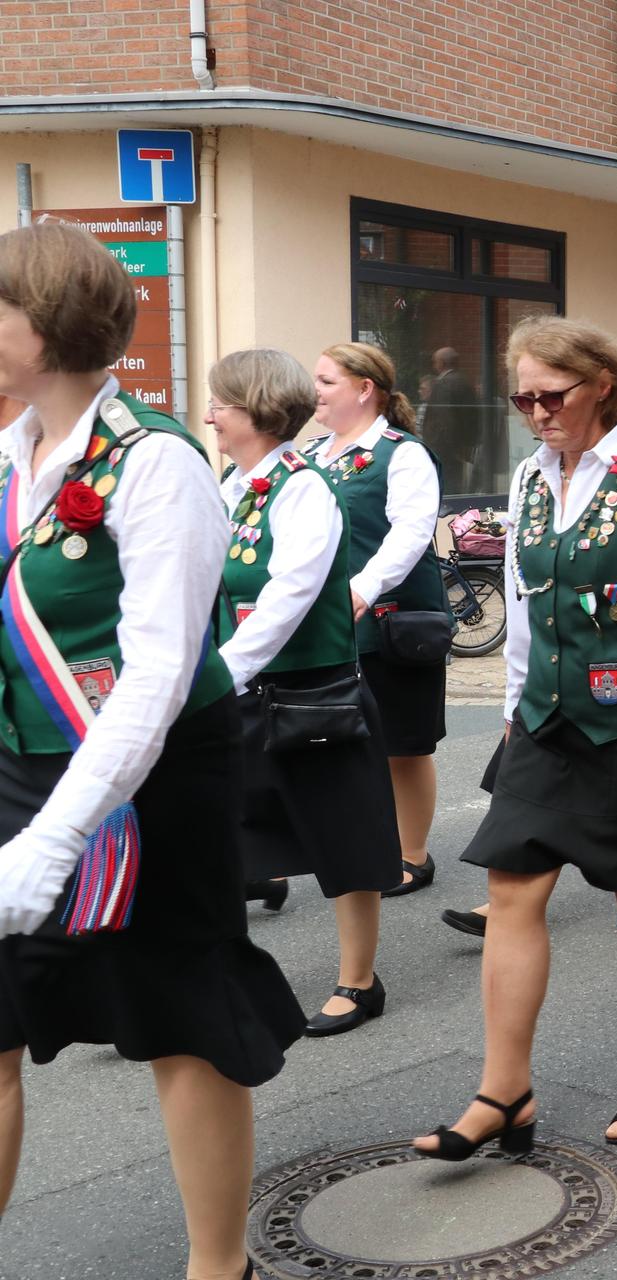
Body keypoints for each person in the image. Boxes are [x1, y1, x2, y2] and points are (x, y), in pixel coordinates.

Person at [0, 220, 303, 1279]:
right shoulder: (11, 451)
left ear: (41, 325)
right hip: (21, 761)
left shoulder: (156, 461)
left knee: (181, 1012)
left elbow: (158, 677)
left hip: (155, 773)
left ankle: (220, 1265)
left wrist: (55, 838)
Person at [417, 315, 617, 1158]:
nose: (536, 411)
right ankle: (504, 1089)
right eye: (522, 397)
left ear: (601, 384)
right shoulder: (529, 479)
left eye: (550, 395)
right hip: (545, 722)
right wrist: (516, 708)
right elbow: (524, 601)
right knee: (513, 892)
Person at [210, 349, 403, 1036]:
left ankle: (360, 980)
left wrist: (220, 670)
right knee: (227, 832)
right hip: (244, 684)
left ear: (257, 409)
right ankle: (213, 977)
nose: (210, 416)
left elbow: (288, 593)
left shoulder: (303, 488)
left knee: (342, 838)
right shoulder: (232, 486)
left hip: (310, 694)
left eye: (221, 404)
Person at [304, 343, 449, 898]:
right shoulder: (315, 454)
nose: (315, 391)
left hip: (392, 619)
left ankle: (412, 853)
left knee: (403, 743)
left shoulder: (402, 453)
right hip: (329, 622)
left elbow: (411, 532)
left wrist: (363, 587)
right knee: (346, 740)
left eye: (326, 381)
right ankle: (360, 840)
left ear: (365, 389)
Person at [422, 347, 481, 495]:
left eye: (435, 361)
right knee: (456, 480)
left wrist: (447, 445)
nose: (434, 365)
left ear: (441, 363)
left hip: (445, 447)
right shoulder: (465, 381)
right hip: (460, 444)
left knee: (447, 483)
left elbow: (444, 417)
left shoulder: (444, 383)